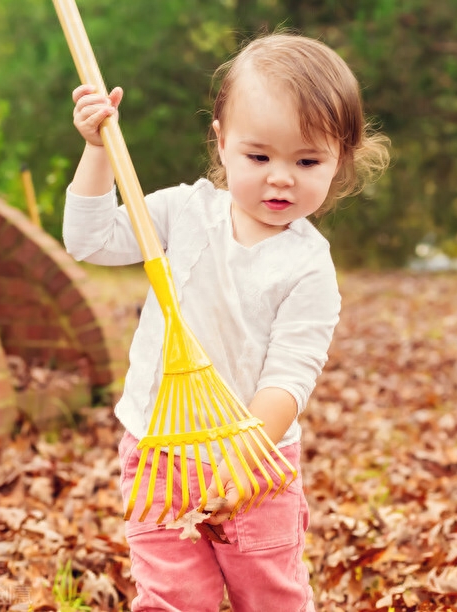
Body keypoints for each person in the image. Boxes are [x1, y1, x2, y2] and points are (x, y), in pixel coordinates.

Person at [62, 31, 389, 611]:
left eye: (307, 160)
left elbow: (288, 377)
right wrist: (96, 151)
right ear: (222, 143)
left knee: (270, 597)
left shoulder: (309, 267)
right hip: (159, 447)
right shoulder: (183, 212)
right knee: (169, 598)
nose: (280, 177)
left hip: (257, 463)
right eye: (258, 156)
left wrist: (244, 458)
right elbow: (88, 239)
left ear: (340, 158)